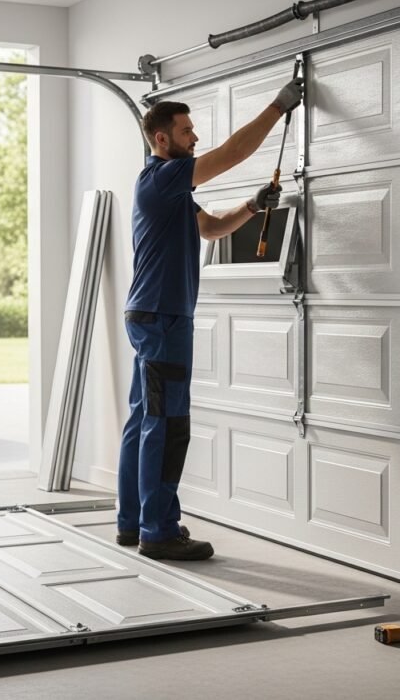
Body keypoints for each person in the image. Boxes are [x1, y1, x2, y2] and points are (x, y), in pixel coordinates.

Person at [117, 77, 305, 561]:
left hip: (149, 313)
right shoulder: (162, 178)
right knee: (167, 421)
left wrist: (251, 206)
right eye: (186, 131)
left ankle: (133, 522)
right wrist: (278, 106)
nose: (194, 138)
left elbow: (211, 229)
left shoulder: (168, 191)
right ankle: (158, 531)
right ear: (162, 139)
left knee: (143, 418)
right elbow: (233, 153)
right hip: (164, 319)